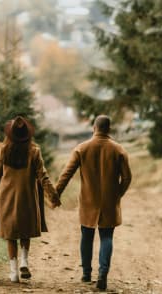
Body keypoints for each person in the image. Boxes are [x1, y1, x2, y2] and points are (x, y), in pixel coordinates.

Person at [55, 115, 132, 291]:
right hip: (109, 202)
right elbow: (127, 178)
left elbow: (66, 174)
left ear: (94, 128)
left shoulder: (81, 148)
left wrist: (55, 195)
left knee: (86, 235)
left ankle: (86, 274)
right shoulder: (119, 150)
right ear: (109, 129)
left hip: (88, 201)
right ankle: (103, 275)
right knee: (107, 237)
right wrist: (117, 194)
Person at [0, 116, 60, 282]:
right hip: (27, 197)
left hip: (7, 198)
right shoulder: (34, 151)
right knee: (25, 231)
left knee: (10, 236)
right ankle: (24, 261)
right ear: (27, 135)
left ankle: (14, 273)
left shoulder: (4, 150)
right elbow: (43, 176)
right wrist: (53, 195)